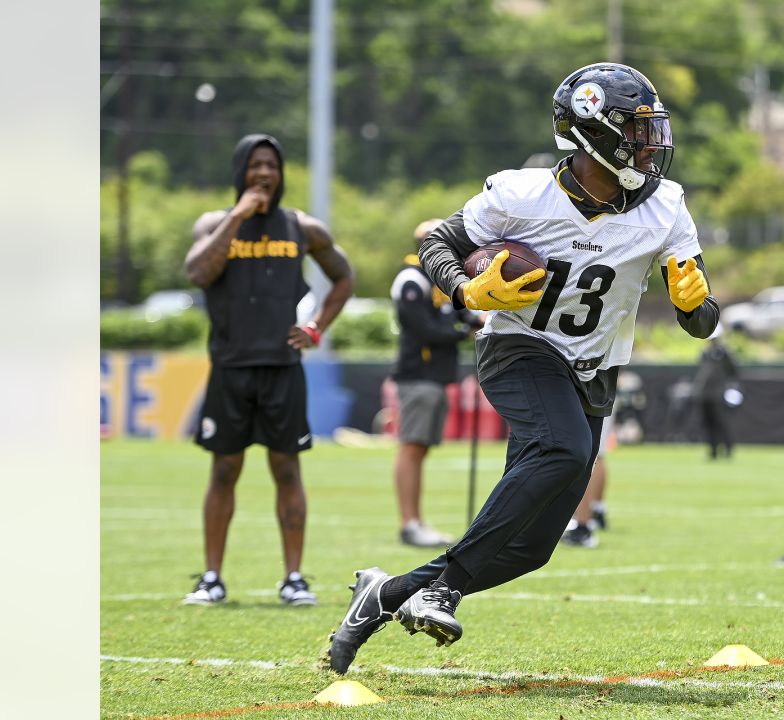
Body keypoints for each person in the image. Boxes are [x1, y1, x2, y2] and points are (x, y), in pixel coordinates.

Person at [325, 62, 718, 673]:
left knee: (530, 548)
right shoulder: (521, 193)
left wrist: (697, 307)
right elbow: (439, 244)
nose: (651, 145)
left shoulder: (666, 206)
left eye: (651, 131)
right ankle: (444, 589)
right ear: (594, 133)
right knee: (561, 450)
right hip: (520, 350)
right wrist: (466, 291)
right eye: (636, 131)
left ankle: (383, 596)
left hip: (593, 372)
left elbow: (701, 319)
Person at [182, 133, 354, 605]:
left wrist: (317, 326)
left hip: (282, 368)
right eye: (256, 165)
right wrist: (238, 216)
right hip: (231, 368)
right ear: (241, 171)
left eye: (271, 166)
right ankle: (212, 578)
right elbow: (197, 272)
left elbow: (344, 277)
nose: (264, 174)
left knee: (286, 469)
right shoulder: (216, 223)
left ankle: (293, 578)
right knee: (223, 471)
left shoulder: (301, 227)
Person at [390, 219, 485, 547]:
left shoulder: (441, 280)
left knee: (422, 447)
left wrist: (477, 320)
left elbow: (460, 314)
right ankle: (410, 522)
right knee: (412, 446)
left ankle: (416, 520)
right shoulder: (412, 279)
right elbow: (423, 328)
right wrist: (462, 332)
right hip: (418, 375)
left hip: (437, 377)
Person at [560, 414, 613, 548]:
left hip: (592, 397)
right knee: (595, 453)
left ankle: (583, 526)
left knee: (587, 454)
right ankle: (596, 512)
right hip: (599, 397)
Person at [693, 325, 739, 460]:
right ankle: (712, 450)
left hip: (718, 393)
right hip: (704, 393)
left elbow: (733, 372)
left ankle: (727, 448)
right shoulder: (705, 353)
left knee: (721, 422)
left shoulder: (725, 353)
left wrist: (730, 388)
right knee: (708, 423)